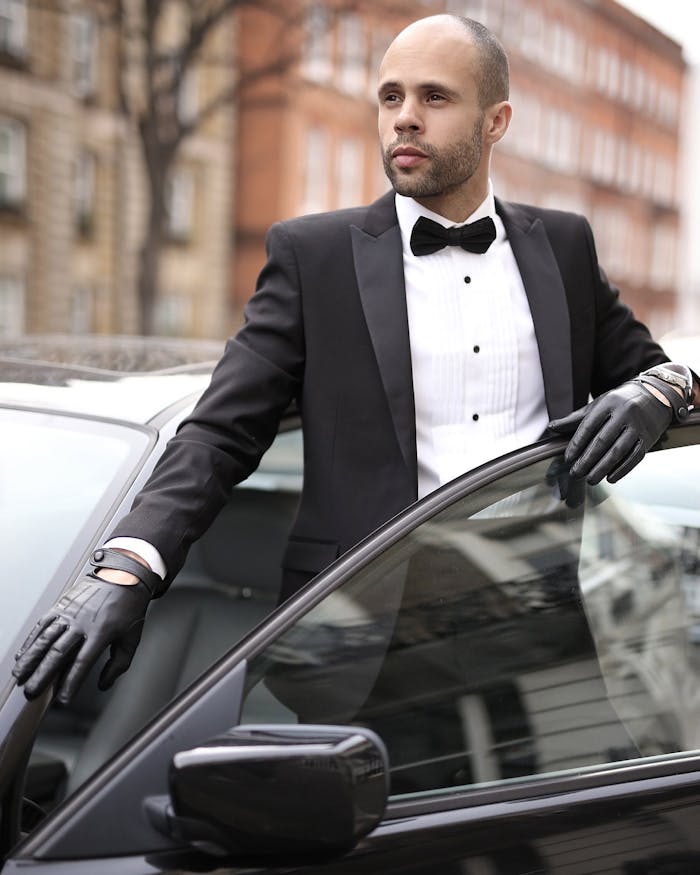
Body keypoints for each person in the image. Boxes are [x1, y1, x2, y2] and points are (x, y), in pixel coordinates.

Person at [13, 14, 698, 705]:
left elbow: (661, 371)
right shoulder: (314, 257)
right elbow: (220, 431)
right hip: (357, 641)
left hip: (539, 635)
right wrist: (128, 566)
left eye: (434, 98)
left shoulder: (564, 247)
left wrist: (660, 391)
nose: (403, 119)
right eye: (390, 97)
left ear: (496, 122)